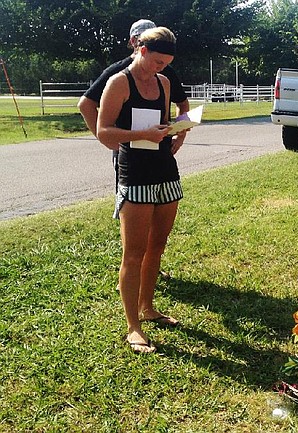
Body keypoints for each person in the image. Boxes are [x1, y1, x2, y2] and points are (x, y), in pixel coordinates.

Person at [97, 26, 186, 354]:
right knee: (133, 253)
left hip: (165, 172)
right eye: (157, 61)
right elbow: (103, 132)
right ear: (141, 51)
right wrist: (143, 135)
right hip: (134, 175)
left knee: (156, 248)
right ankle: (133, 326)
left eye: (166, 63)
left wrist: (175, 131)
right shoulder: (119, 82)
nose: (161, 68)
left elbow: (162, 123)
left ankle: (148, 308)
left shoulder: (163, 83)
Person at [78, 19, 189, 192]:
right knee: (129, 203)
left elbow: (182, 104)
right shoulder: (117, 73)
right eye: (140, 39)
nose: (160, 67)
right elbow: (86, 105)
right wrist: (110, 142)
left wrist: (179, 135)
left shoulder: (165, 72)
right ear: (134, 43)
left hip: (160, 155)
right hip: (129, 157)